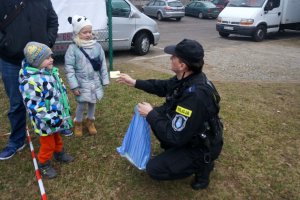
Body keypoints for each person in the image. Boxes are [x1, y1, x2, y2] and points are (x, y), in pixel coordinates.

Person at [117, 39, 223, 190]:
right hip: (190, 134)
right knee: (158, 115)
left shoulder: (195, 96)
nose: (170, 58)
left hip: (201, 146)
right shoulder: (187, 78)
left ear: (182, 65)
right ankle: (174, 152)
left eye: (174, 56)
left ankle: (203, 166)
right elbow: (162, 86)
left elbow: (175, 136)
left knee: (154, 168)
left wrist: (151, 115)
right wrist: (134, 82)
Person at [0, 0, 59, 160]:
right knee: (16, 103)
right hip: (11, 61)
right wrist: (6, 44)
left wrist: (48, 41)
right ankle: (17, 141)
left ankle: (53, 132)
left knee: (48, 99)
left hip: (40, 63)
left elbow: (52, 21)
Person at [19, 42, 74, 179]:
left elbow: (59, 91)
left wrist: (63, 110)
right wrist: (51, 119)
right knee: (47, 144)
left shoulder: (51, 72)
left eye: (51, 56)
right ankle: (43, 164)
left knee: (57, 137)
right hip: (45, 121)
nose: (52, 59)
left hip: (57, 116)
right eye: (47, 58)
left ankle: (59, 153)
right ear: (36, 62)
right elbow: (35, 106)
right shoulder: (31, 82)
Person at [64, 15, 109, 136]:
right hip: (81, 83)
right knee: (82, 103)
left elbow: (103, 64)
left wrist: (105, 80)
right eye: (85, 32)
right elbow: (69, 68)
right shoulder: (73, 48)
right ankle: (78, 122)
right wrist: (74, 86)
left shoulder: (97, 46)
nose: (88, 34)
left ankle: (90, 121)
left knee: (92, 102)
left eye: (90, 32)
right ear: (77, 33)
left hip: (94, 81)